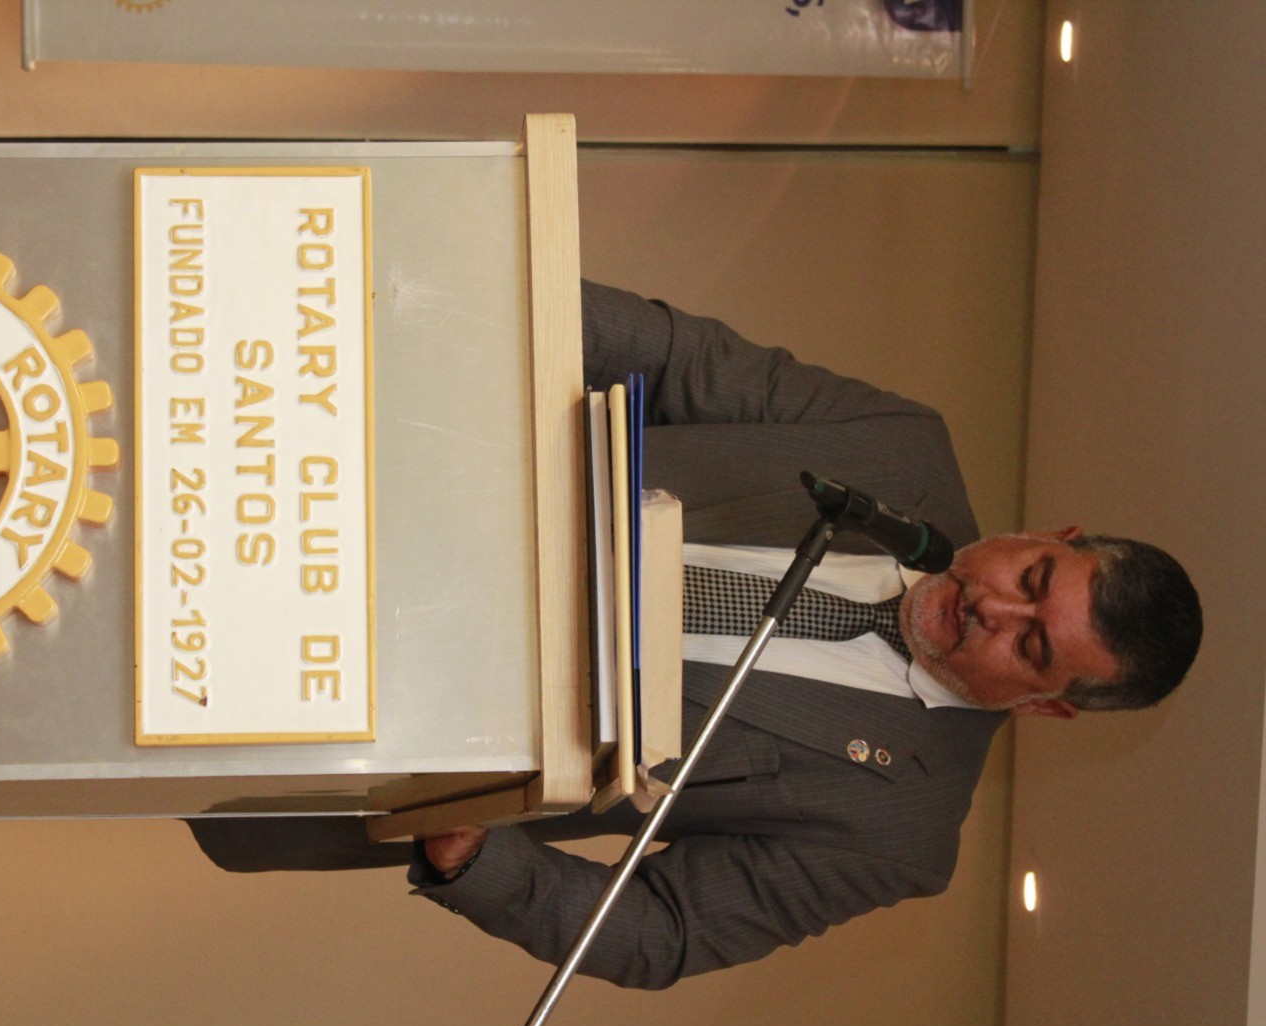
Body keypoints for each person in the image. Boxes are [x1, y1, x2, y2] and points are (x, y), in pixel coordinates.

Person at [189, 281, 1203, 989]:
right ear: (1049, 534)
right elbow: (669, 355)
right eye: (1030, 579)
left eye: (1030, 647)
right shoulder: (900, 450)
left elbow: (662, 929)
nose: (993, 608)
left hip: (365, 729)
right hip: (352, 477)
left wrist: (476, 851)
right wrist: (475, 290)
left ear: (1048, 707)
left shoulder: (900, 831)